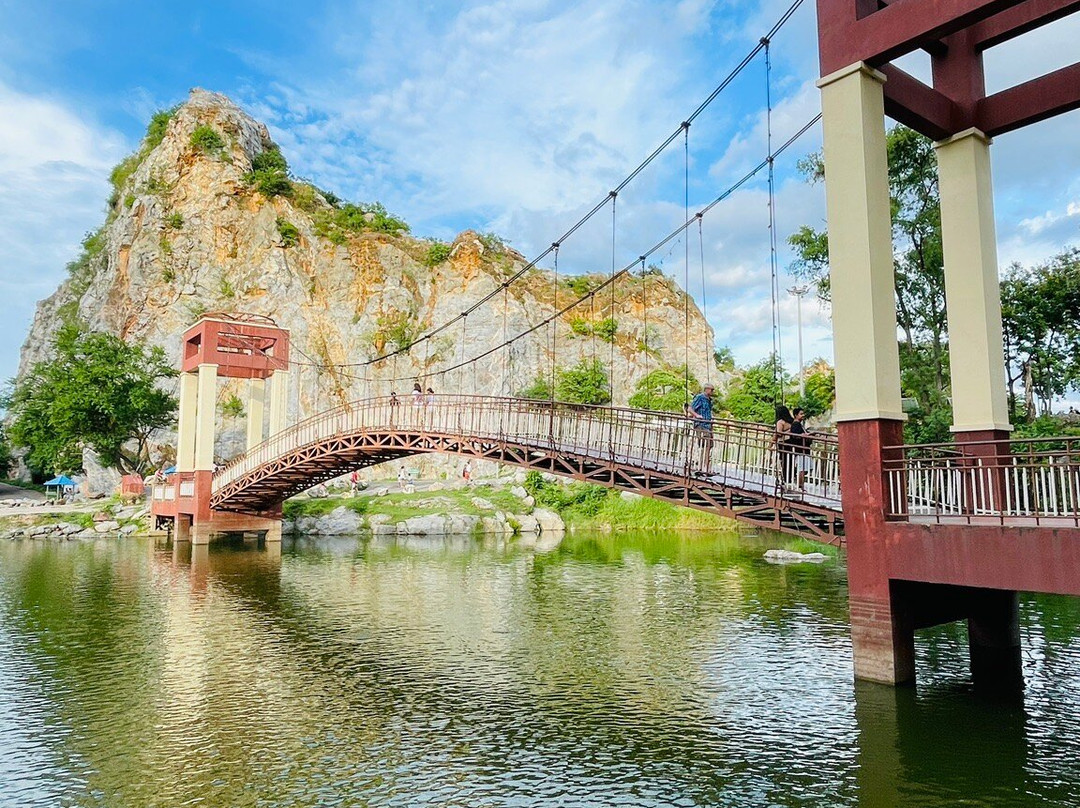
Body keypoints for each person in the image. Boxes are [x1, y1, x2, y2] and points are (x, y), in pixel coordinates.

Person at [689, 384, 715, 474]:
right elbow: (690, 408)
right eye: (711, 390)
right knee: (705, 444)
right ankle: (702, 467)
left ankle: (705, 466)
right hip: (700, 424)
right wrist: (696, 415)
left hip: (708, 425)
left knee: (709, 445)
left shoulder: (709, 401)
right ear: (707, 389)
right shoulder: (700, 397)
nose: (712, 392)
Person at [788, 407, 814, 492]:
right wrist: (804, 435)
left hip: (804, 449)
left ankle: (800, 485)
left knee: (806, 469)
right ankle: (800, 486)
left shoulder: (799, 424)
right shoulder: (796, 424)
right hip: (800, 450)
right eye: (801, 414)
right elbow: (795, 435)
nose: (803, 415)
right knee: (802, 469)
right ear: (796, 415)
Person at [774, 404, 794, 487]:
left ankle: (784, 478)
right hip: (790, 442)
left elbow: (778, 433)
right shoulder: (791, 421)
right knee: (789, 460)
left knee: (783, 460)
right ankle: (790, 478)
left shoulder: (780, 422)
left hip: (782, 442)